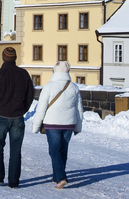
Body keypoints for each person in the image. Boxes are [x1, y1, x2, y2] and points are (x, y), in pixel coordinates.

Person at [32, 61, 84, 190]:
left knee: (54, 150)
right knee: (63, 150)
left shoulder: (48, 86)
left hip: (52, 123)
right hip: (69, 124)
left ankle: (61, 177)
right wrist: (78, 126)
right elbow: (79, 109)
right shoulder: (74, 87)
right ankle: (56, 176)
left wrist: (36, 126)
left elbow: (41, 108)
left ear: (55, 71)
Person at [0, 47, 35, 189]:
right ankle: (14, 181)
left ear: (3, 58)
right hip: (18, 116)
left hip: (1, 115)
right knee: (16, 150)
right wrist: (23, 109)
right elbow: (30, 94)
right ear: (15, 58)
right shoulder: (23, 74)